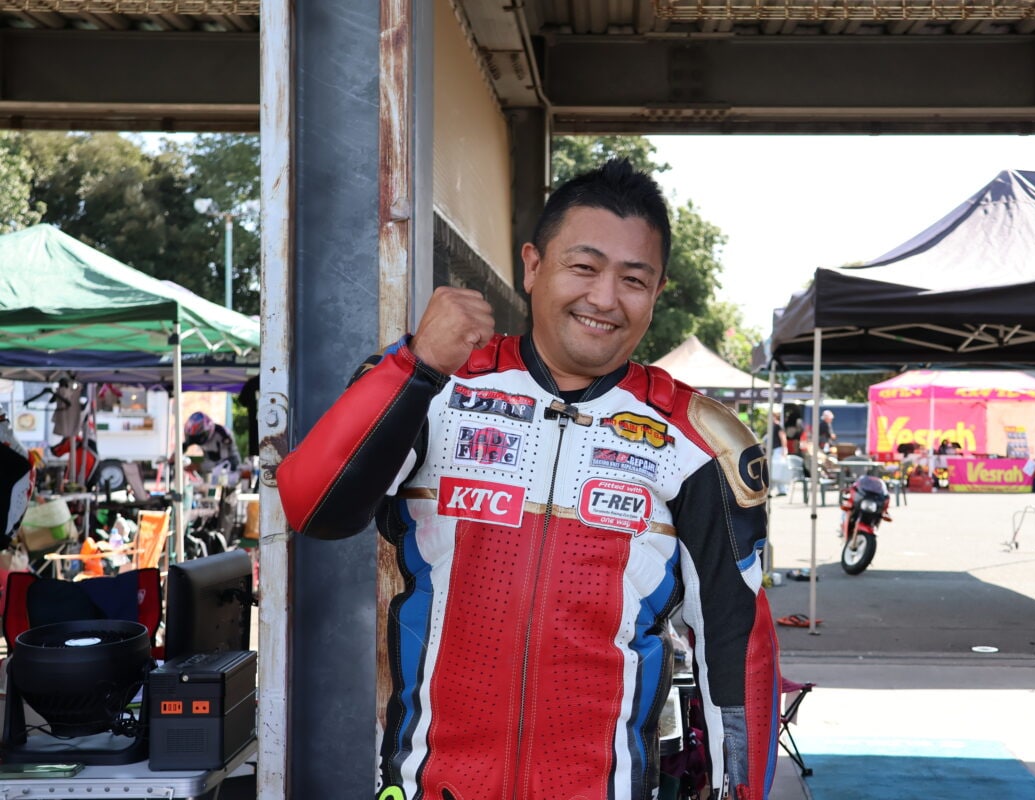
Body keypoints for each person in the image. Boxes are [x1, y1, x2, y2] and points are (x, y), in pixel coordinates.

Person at [277, 159, 780, 800]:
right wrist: (417, 366)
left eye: (633, 279)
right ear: (533, 266)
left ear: (657, 293)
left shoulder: (698, 440)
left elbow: (737, 647)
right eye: (584, 267)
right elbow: (313, 508)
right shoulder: (435, 387)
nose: (605, 298)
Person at [181, 411, 240, 480]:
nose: (196, 441)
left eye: (198, 437)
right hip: (210, 469)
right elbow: (186, 444)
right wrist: (175, 456)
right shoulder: (199, 437)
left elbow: (224, 462)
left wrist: (198, 466)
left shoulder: (222, 434)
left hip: (230, 471)